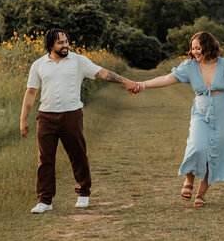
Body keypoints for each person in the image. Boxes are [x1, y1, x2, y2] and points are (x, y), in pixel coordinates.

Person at [132, 31, 224, 207]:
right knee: (197, 146)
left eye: (198, 48)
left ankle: (201, 194)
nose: (195, 52)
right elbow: (166, 78)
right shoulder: (189, 66)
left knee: (213, 154)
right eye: (193, 49)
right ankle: (188, 180)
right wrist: (144, 84)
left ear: (208, 46)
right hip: (201, 113)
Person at [20, 27, 139, 213]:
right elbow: (31, 92)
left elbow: (102, 73)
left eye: (66, 41)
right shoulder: (38, 65)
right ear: (50, 44)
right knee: (45, 160)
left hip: (71, 115)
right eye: (60, 42)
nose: (65, 45)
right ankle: (44, 201)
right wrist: (23, 119)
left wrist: (126, 81)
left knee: (77, 154)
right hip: (46, 117)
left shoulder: (78, 61)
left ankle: (83, 193)